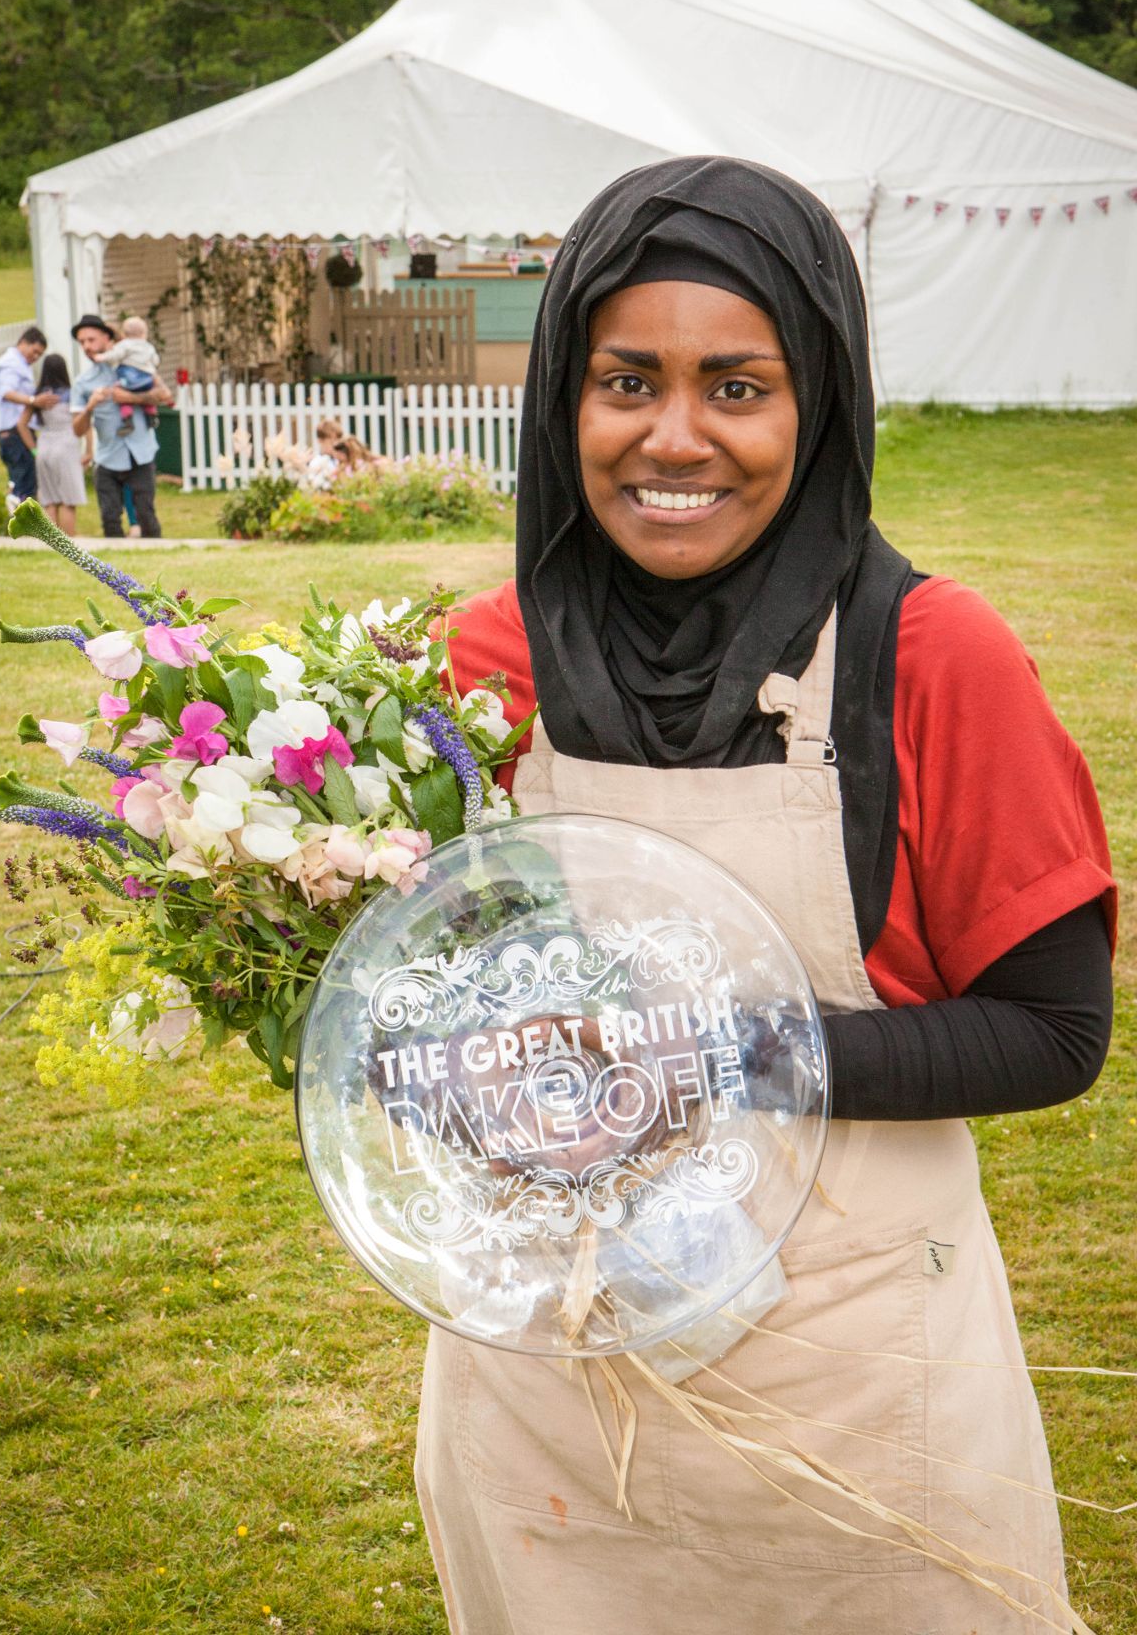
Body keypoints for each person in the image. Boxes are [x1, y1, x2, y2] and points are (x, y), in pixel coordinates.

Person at [414, 159, 1116, 1632]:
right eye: (626, 381)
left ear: (822, 404)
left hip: (857, 1396)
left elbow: (1053, 1034)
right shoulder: (481, 668)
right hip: (550, 1396)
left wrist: (712, 1052)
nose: (675, 437)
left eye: (738, 386)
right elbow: (434, 997)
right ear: (562, 400)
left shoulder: (931, 660)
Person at [69, 313, 171, 539]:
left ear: (107, 338)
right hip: (107, 457)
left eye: (91, 340)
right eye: (82, 342)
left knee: (146, 514)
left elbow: (164, 394)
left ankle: (159, 558)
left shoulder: (135, 366)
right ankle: (115, 570)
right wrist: (90, 407)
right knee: (109, 517)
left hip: (141, 453)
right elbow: (76, 429)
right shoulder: (83, 382)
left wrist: (129, 398)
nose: (87, 346)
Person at [17, 353, 87, 535]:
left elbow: (21, 424)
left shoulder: (39, 396)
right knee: (67, 500)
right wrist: (89, 450)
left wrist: (34, 450)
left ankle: (51, 545)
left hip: (44, 447)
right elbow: (83, 423)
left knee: (49, 500)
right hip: (66, 446)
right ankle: (69, 545)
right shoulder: (71, 395)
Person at [0, 325, 57, 501]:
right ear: (23, 342)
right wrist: (34, 401)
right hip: (14, 434)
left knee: (23, 484)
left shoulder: (20, 364)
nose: (35, 357)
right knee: (23, 487)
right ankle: (20, 527)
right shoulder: (11, 363)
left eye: (39, 355)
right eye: (34, 351)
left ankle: (19, 524)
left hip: (18, 433)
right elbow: (7, 391)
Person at [96, 315, 160, 425]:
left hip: (129, 378)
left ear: (123, 335)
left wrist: (100, 357)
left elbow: (114, 355)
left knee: (121, 389)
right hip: (146, 379)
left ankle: (127, 416)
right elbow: (156, 361)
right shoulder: (149, 347)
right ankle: (151, 413)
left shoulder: (124, 346)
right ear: (144, 334)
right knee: (145, 390)